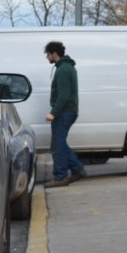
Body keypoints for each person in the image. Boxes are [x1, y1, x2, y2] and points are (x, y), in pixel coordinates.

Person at [44, 41, 87, 187]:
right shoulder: (67, 67)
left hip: (64, 112)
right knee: (59, 143)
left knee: (57, 144)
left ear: (54, 54)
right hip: (68, 111)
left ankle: (60, 177)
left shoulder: (63, 70)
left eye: (47, 54)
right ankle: (78, 169)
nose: (46, 57)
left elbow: (63, 95)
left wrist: (53, 113)